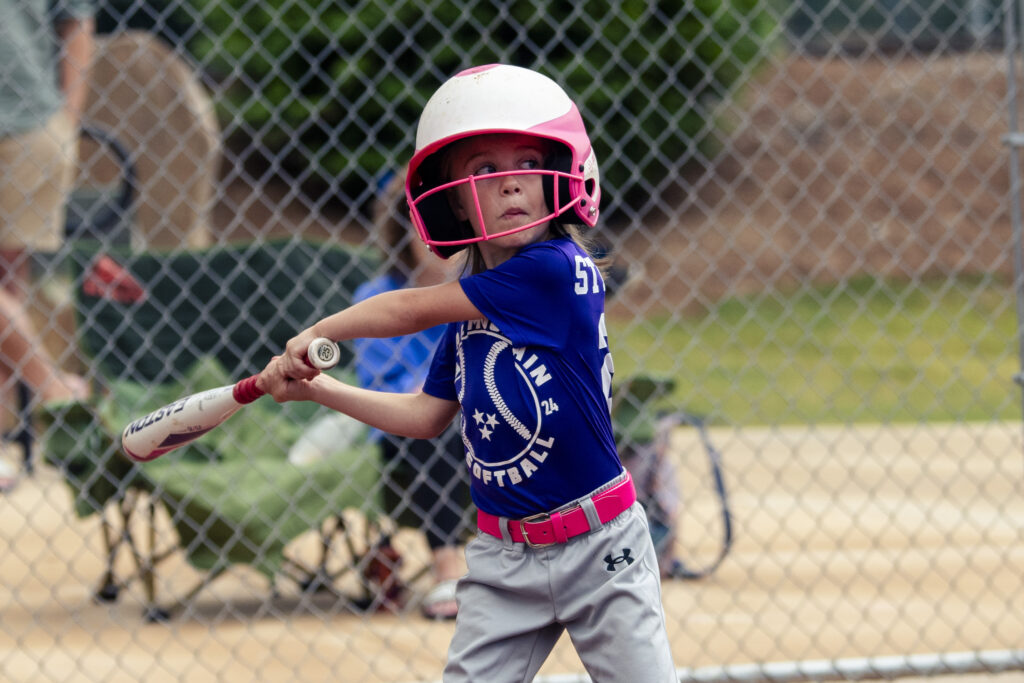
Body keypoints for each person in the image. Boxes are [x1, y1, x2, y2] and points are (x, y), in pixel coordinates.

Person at [258, 64, 675, 681]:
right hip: (505, 559)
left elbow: (406, 306)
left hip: (600, 548)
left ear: (564, 173)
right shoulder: (478, 309)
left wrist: (319, 332)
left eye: (526, 162)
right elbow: (426, 418)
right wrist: (322, 389)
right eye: (484, 171)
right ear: (453, 200)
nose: (510, 185)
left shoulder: (555, 271)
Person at [353, 169, 471, 620]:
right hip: (408, 426)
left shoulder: (479, 291)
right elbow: (384, 387)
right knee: (435, 421)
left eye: (457, 236)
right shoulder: (379, 296)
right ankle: (448, 570)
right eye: (429, 236)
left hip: (479, 413)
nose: (445, 249)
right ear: (401, 239)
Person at [0, 0, 97, 490]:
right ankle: (51, 384)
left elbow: (76, 18)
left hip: (27, 122)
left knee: (8, 287)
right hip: (32, 120)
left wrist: (68, 121)